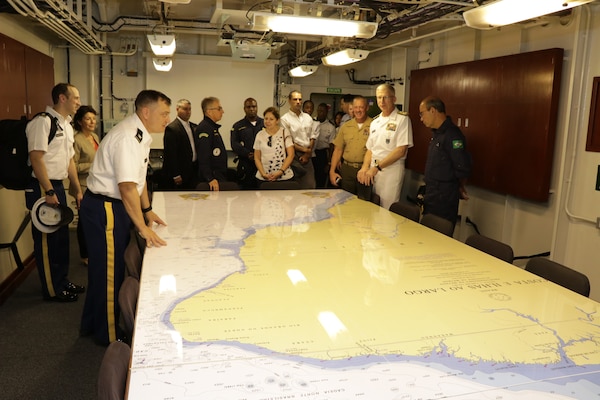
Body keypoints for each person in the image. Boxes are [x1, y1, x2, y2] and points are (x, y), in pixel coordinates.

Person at [80, 89, 169, 345]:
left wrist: (146, 209)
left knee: (104, 270)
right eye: (163, 114)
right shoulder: (128, 138)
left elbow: (139, 180)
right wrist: (142, 227)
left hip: (115, 207)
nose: (166, 119)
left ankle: (91, 324)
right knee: (111, 274)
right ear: (146, 111)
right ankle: (108, 335)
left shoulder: (141, 136)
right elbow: (127, 187)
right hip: (105, 208)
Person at [25, 83, 84, 302]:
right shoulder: (43, 122)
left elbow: (69, 160)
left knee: (61, 240)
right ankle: (52, 289)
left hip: (57, 185)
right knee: (47, 242)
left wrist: (76, 189)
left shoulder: (66, 125)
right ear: (62, 98)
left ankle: (62, 280)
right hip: (43, 186)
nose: (78, 101)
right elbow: (36, 158)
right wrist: (48, 190)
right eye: (75, 97)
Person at [358, 84, 414, 209]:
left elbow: (400, 150)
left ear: (394, 99)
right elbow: (370, 149)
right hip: (373, 171)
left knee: (386, 209)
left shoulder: (402, 120)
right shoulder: (375, 122)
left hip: (390, 171)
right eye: (379, 98)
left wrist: (377, 167)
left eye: (385, 97)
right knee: (371, 207)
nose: (381, 101)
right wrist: (364, 167)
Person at [419, 96, 471, 224]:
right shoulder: (436, 134)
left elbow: (462, 167)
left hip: (444, 198)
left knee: (440, 237)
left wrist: (459, 186)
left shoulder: (452, 135)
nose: (421, 119)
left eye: (422, 114)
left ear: (432, 111)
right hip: (431, 194)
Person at [329, 96, 372, 200]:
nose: (358, 110)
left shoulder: (374, 125)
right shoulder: (346, 126)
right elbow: (338, 149)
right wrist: (332, 171)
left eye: (361, 107)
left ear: (367, 108)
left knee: (364, 203)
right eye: (356, 107)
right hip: (347, 169)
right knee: (345, 201)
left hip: (365, 169)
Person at [72, 105, 99, 266]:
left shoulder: (94, 136)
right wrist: (93, 164)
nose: (91, 122)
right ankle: (84, 254)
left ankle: (93, 251)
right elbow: (72, 166)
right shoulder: (77, 139)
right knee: (84, 222)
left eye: (93, 118)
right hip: (82, 186)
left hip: (95, 184)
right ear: (80, 121)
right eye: (88, 119)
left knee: (94, 221)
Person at [280, 90, 318, 189]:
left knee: (310, 185)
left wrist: (307, 153)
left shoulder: (308, 118)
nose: (298, 102)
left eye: (300, 99)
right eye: (295, 99)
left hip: (308, 155)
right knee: (295, 186)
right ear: (289, 101)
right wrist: (305, 150)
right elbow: (288, 141)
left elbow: (312, 137)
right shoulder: (285, 119)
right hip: (293, 155)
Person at [162, 99, 198, 190]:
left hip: (193, 170)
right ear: (177, 109)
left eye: (189, 109)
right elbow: (170, 153)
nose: (188, 112)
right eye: (185, 109)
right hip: (180, 172)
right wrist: (176, 175)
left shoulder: (194, 127)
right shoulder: (172, 128)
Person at [195, 97, 230, 191]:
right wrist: (209, 178)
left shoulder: (211, 128)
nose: (222, 111)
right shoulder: (204, 129)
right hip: (212, 179)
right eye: (219, 109)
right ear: (209, 111)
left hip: (218, 176)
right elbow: (203, 156)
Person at [253, 107, 295, 182]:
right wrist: (263, 174)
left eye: (271, 119)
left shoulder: (284, 132)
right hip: (263, 177)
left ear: (277, 120)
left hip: (283, 176)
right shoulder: (259, 135)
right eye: (266, 119)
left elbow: (291, 155)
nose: (268, 121)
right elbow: (257, 157)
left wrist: (280, 171)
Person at [231, 98, 264, 189]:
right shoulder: (238, 126)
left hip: (263, 164)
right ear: (244, 109)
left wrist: (259, 155)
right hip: (245, 164)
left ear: (257, 108)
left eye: (254, 106)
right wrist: (247, 154)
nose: (251, 109)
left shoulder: (265, 124)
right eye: (248, 107)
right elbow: (234, 144)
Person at [312, 103, 336, 188]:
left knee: (320, 179)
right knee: (311, 177)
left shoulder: (330, 126)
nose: (320, 113)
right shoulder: (311, 122)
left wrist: (329, 163)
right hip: (311, 152)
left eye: (322, 111)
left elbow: (332, 146)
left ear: (326, 113)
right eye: (319, 111)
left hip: (322, 154)